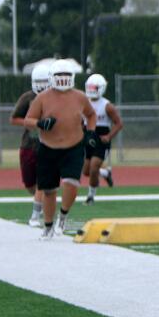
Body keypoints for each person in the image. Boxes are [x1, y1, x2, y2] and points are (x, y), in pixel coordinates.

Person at [23, 59, 98, 238]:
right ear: (52, 77)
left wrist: (90, 133)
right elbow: (28, 120)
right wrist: (41, 123)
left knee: (71, 183)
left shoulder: (80, 96)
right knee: (48, 190)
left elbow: (91, 114)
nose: (63, 79)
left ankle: (63, 216)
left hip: (74, 147)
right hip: (48, 148)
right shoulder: (42, 97)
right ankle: (48, 226)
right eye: (59, 75)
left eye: (66, 75)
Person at [10, 63, 51, 226]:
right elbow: (13, 118)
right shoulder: (28, 98)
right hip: (29, 145)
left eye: (44, 81)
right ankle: (42, 201)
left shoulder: (55, 97)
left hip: (47, 145)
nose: (41, 85)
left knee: (43, 180)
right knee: (30, 185)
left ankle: (36, 214)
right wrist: (34, 123)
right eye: (38, 81)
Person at [82, 74, 122, 204]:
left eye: (95, 87)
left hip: (101, 139)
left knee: (93, 168)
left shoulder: (107, 106)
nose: (92, 90)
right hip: (87, 137)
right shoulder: (83, 103)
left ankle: (91, 196)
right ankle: (105, 173)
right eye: (90, 87)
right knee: (86, 171)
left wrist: (109, 136)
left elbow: (119, 123)